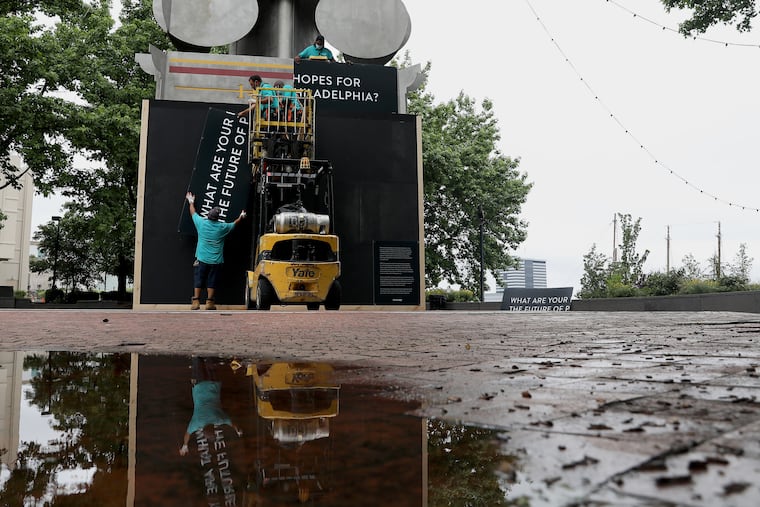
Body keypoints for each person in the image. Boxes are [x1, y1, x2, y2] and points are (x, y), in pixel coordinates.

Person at [185, 192, 246, 310]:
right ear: (218, 218)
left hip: (201, 259)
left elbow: (193, 212)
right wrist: (241, 216)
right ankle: (209, 303)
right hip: (216, 261)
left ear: (208, 215)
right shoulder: (222, 227)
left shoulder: (201, 223)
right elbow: (235, 223)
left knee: (199, 279)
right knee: (211, 281)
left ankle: (196, 302)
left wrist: (191, 201)